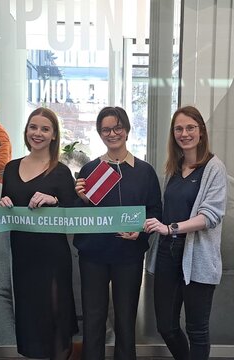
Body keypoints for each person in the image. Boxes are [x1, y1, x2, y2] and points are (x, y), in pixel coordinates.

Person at [73, 106, 162, 360]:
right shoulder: (90, 170)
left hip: (129, 255)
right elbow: (79, 216)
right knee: (93, 318)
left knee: (125, 319)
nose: (112, 133)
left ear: (127, 129)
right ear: (100, 133)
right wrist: (82, 199)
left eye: (117, 127)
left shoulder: (144, 171)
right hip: (93, 256)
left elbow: (156, 211)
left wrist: (141, 233)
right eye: (105, 129)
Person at [144, 105, 227, 360]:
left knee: (197, 331)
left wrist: (171, 229)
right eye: (179, 128)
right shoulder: (174, 167)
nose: (184, 133)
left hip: (198, 258)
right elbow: (165, 211)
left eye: (190, 127)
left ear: (201, 131)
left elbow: (210, 216)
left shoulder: (214, 168)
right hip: (168, 255)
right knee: (166, 327)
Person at [0, 107, 79, 359]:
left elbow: (75, 214)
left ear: (54, 135)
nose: (38, 133)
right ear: (26, 131)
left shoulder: (61, 171)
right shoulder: (11, 168)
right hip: (23, 256)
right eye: (33, 127)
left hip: (53, 257)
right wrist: (4, 204)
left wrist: (54, 200)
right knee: (30, 316)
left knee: (55, 316)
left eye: (45, 129)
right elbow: (5, 205)